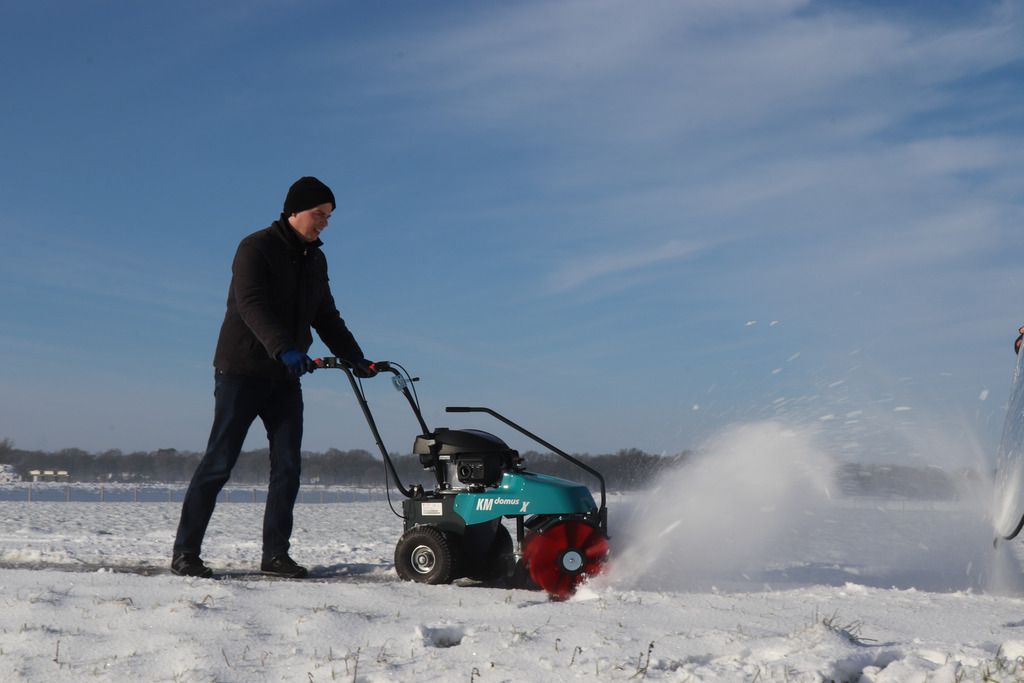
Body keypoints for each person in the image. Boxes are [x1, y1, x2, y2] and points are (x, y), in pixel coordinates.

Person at [171, 176, 376, 579]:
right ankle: (185, 552)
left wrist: (357, 358)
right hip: (242, 371)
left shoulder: (315, 260)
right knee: (219, 462)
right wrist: (284, 347)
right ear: (294, 211)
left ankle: (276, 555)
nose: (325, 224)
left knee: (288, 466)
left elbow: (326, 315)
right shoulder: (255, 247)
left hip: (285, 376)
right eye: (320, 215)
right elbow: (251, 304)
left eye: (329, 217)